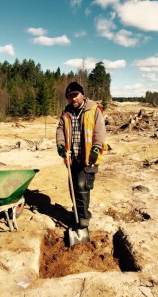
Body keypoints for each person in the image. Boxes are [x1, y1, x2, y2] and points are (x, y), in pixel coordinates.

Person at [56, 81, 107, 228]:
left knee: (82, 186)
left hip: (88, 157)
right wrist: (60, 145)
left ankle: (83, 218)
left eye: (75, 95)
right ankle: (78, 212)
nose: (73, 99)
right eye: (70, 96)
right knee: (73, 188)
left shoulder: (94, 109)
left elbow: (100, 131)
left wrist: (96, 148)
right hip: (72, 157)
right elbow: (60, 129)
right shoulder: (67, 111)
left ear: (82, 95)